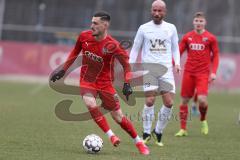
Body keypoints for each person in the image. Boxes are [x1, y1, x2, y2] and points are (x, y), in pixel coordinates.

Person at [50, 11, 149, 155]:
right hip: (87, 81)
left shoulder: (113, 45)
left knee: (118, 117)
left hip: (105, 83)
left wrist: (127, 83)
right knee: (90, 103)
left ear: (105, 25)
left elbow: (126, 65)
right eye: (91, 22)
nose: (92, 26)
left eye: (95, 23)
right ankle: (111, 136)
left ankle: (139, 142)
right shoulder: (84, 36)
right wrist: (63, 70)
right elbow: (74, 52)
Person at [129, 0, 181, 147]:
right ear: (151, 11)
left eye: (160, 11)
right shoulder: (143, 28)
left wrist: (177, 63)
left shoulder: (171, 28)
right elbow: (135, 48)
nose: (157, 13)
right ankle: (146, 133)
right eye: (154, 10)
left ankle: (158, 131)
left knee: (169, 103)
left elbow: (176, 48)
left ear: (165, 12)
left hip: (166, 71)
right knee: (150, 101)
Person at [175, 12, 219, 137]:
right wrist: (174, 64)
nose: (198, 23)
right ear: (193, 22)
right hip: (189, 72)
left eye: (201, 21)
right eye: (196, 21)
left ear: (205, 23)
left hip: (203, 74)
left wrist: (214, 72)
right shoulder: (187, 37)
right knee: (184, 101)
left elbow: (216, 56)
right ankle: (183, 129)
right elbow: (178, 52)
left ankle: (203, 119)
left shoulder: (211, 38)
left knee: (202, 100)